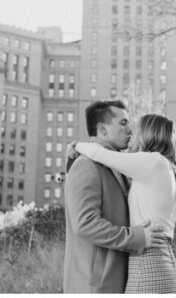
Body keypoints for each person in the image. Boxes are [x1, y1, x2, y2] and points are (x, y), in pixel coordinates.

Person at [72, 113, 176, 293]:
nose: (131, 134)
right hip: (165, 265)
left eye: (136, 131)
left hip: (148, 267)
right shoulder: (162, 167)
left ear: (147, 134)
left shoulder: (152, 161)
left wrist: (75, 146)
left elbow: (100, 154)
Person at [64, 100, 161, 293]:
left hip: (118, 281)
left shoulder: (117, 166)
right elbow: (85, 224)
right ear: (102, 129)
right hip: (94, 286)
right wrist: (135, 238)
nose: (130, 130)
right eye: (123, 123)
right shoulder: (86, 165)